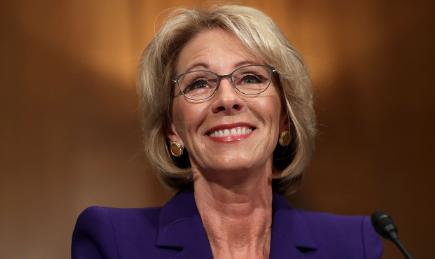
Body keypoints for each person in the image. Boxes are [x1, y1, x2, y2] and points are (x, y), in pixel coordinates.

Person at [72, 4, 383, 259]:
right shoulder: (114, 241)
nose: (227, 100)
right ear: (172, 130)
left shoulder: (354, 245)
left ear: (285, 118)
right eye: (199, 83)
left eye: (250, 78)